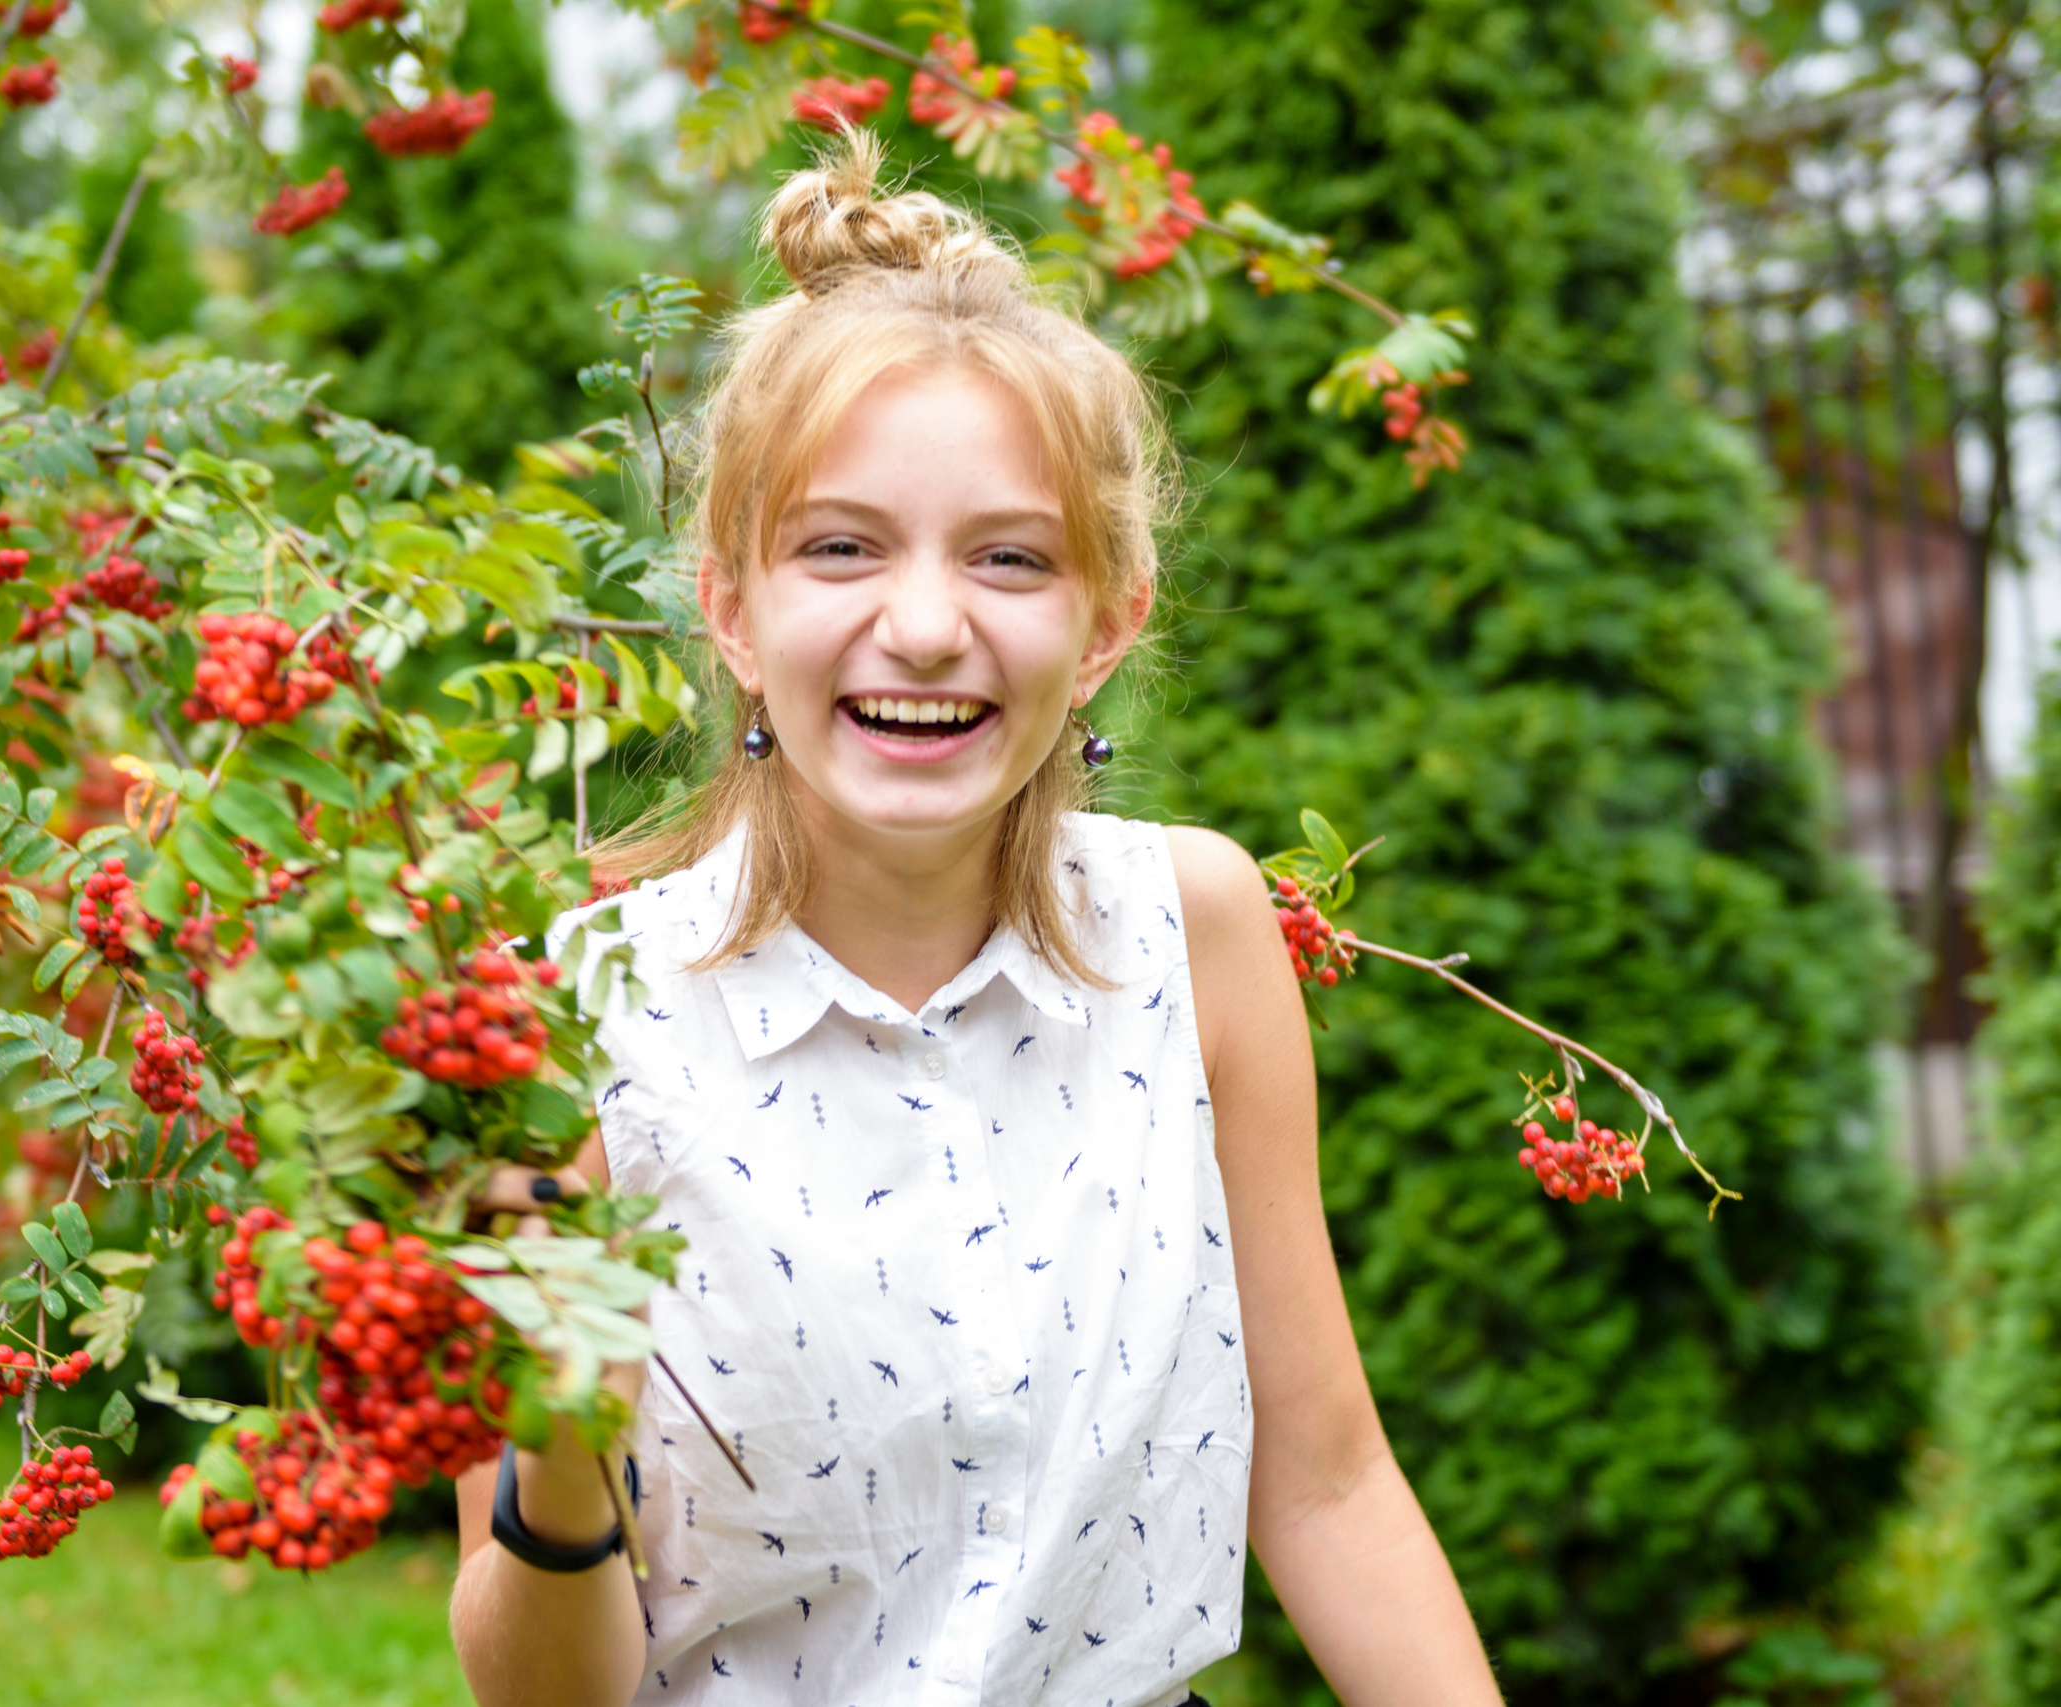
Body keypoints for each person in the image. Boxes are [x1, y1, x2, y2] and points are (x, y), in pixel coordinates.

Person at [448, 135, 1504, 1707]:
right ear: (731, 608)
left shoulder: (1195, 931)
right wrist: (561, 1448)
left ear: (1107, 621)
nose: (928, 626)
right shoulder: (558, 1020)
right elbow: (545, 1694)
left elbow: (1328, 1481)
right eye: (840, 547)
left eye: (1009, 558)